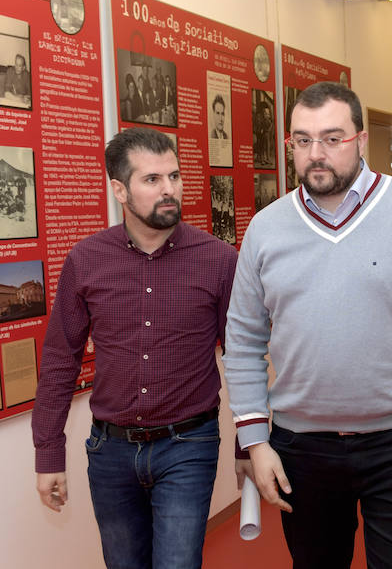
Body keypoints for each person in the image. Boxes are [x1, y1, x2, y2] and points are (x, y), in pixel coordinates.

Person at [223, 81, 392, 568]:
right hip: (303, 449)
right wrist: (256, 443)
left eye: (332, 138)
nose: (316, 153)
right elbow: (241, 344)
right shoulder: (265, 229)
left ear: (361, 140)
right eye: (302, 140)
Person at [31, 127, 240, 569]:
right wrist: (48, 453)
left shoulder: (218, 259)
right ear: (119, 189)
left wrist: (248, 442)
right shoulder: (86, 259)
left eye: (175, 176)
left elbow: (241, 357)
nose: (169, 190)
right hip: (110, 452)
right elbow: (58, 360)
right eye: (152, 180)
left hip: (189, 444)